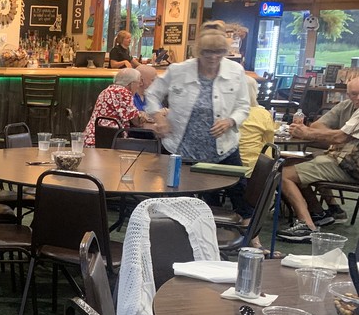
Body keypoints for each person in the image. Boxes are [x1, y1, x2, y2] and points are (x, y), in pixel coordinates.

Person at [144, 25, 251, 217]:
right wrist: (159, 118)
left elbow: (243, 105)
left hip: (223, 148)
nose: (213, 57)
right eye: (207, 52)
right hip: (183, 149)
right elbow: (152, 94)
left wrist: (230, 121)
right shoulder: (179, 70)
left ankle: (248, 235)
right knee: (179, 201)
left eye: (219, 52)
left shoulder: (236, 71)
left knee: (241, 197)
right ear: (198, 51)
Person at [277, 77, 359, 241]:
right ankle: (319, 213)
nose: (356, 98)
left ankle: (307, 226)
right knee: (293, 163)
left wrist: (309, 133)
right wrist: (320, 134)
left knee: (283, 174)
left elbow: (339, 137)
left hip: (351, 166)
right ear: (347, 94)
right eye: (353, 94)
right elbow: (319, 127)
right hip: (343, 160)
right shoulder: (348, 105)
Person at [83, 68, 149, 147]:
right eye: (138, 82)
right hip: (109, 141)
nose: (139, 85)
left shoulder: (108, 90)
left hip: (93, 138)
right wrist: (146, 117)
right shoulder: (123, 93)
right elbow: (136, 121)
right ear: (131, 84)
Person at [238, 76, 278, 175]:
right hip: (255, 170)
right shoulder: (263, 114)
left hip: (224, 169)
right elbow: (269, 143)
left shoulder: (222, 114)